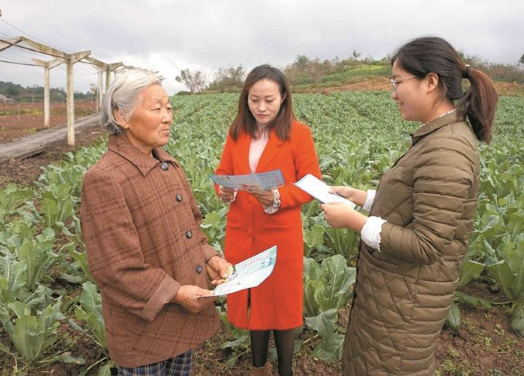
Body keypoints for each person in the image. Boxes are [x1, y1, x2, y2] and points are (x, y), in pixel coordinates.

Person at [320, 36, 498, 376]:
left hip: (405, 308)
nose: (392, 92)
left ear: (431, 82)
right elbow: (413, 204)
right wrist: (363, 197)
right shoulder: (437, 137)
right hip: (393, 298)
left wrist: (354, 221)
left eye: (397, 82)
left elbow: (426, 244)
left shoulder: (447, 149)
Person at [80, 70, 232, 376]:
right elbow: (115, 268)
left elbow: (193, 232)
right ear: (121, 116)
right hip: (143, 333)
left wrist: (212, 258)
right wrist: (176, 293)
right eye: (156, 108)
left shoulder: (168, 165)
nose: (168, 117)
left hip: (181, 321)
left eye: (169, 107)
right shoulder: (104, 179)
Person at [215, 64, 321, 376]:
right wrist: (224, 190)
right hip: (242, 233)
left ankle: (285, 370)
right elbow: (223, 173)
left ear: (284, 98)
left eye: (269, 100)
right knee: (253, 301)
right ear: (245, 99)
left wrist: (277, 197)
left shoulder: (298, 134)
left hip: (280, 235)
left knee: (282, 306)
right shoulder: (237, 133)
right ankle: (258, 368)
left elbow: (312, 182)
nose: (261, 107)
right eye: (254, 100)